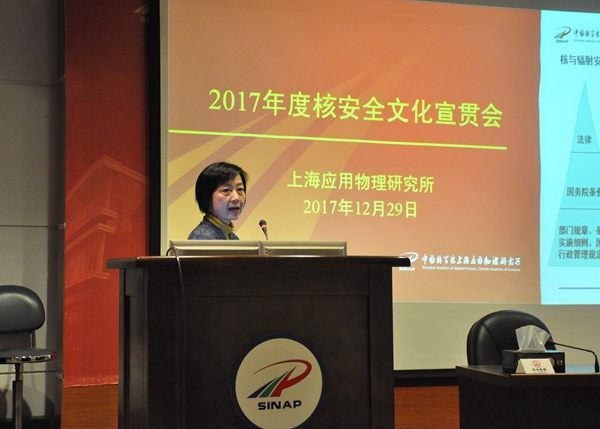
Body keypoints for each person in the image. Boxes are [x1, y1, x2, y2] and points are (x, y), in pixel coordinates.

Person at [188, 161, 248, 240]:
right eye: (226, 190)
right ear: (206, 195)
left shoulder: (233, 237)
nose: (236, 198)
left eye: (240, 189)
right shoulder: (202, 239)